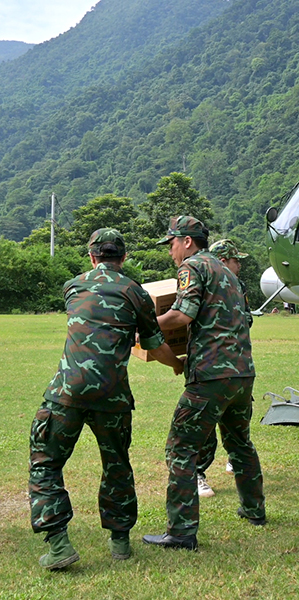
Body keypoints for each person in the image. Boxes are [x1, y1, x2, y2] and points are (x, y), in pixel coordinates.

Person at [29, 228, 184, 570]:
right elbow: (155, 346)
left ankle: (58, 545)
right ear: (124, 258)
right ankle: (120, 543)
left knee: (45, 464)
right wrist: (177, 365)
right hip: (113, 396)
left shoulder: (73, 286)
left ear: (92, 256)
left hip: (66, 392)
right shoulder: (136, 293)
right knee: (116, 465)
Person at [143, 216, 265, 551]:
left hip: (211, 375)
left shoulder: (192, 267)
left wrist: (144, 325)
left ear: (186, 240)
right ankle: (255, 509)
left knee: (181, 447)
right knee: (240, 443)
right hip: (242, 372)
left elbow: (182, 315)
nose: (170, 252)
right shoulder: (228, 272)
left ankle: (181, 532)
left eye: (171, 244)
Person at [194, 238, 252, 498]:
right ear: (224, 260)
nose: (239, 265)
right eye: (236, 260)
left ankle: (234, 460)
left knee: (238, 423)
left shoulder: (238, 287)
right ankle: (197, 473)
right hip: (211, 366)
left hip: (237, 364)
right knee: (203, 426)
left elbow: (246, 318)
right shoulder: (204, 282)